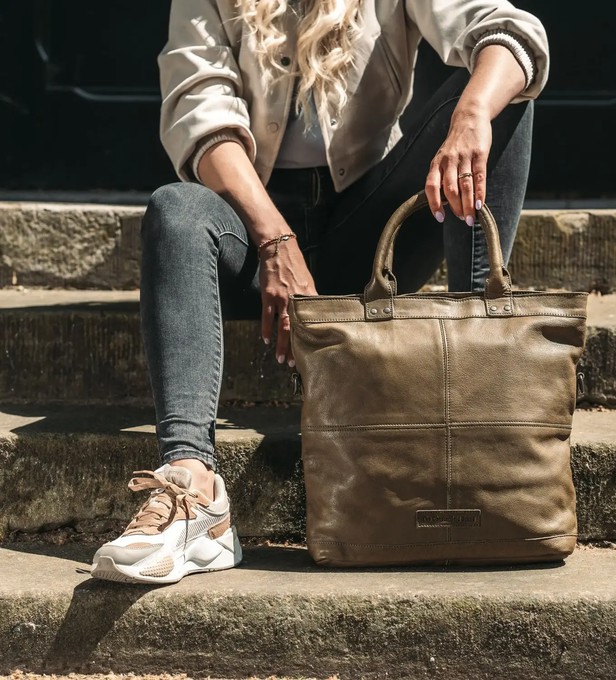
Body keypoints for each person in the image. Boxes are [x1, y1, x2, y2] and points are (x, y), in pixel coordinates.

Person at [91, 0, 549, 584]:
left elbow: (511, 29)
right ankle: (193, 489)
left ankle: (480, 403)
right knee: (176, 209)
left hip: (371, 234)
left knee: (501, 90)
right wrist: (274, 239)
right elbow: (197, 108)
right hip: (253, 232)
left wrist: (471, 115)